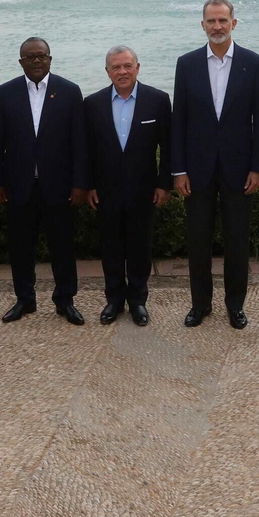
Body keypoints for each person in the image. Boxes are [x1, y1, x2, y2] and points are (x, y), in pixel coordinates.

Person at [172, 0, 259, 329]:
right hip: (196, 170)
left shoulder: (253, 64)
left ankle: (235, 305)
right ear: (202, 25)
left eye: (222, 20)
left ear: (234, 23)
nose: (217, 26)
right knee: (198, 239)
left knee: (237, 240)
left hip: (239, 170)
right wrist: (179, 169)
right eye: (211, 21)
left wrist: (258, 167)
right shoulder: (186, 64)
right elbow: (179, 119)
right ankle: (200, 304)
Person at [0, 38, 88, 325]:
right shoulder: (6, 92)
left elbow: (79, 143)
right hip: (18, 185)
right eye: (30, 57)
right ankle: (25, 299)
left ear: (50, 59)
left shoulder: (69, 91)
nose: (36, 61)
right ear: (20, 62)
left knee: (63, 247)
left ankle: (65, 300)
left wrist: (80, 183)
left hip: (59, 185)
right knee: (20, 247)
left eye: (41, 56)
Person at [82, 45, 171, 326]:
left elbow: (168, 147)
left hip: (144, 189)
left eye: (127, 66)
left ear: (137, 67)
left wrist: (164, 184)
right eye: (116, 67)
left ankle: (137, 301)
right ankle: (114, 300)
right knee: (110, 247)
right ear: (107, 71)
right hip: (105, 190)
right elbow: (86, 151)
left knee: (140, 247)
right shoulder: (92, 104)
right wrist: (89, 185)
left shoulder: (157, 100)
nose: (122, 71)